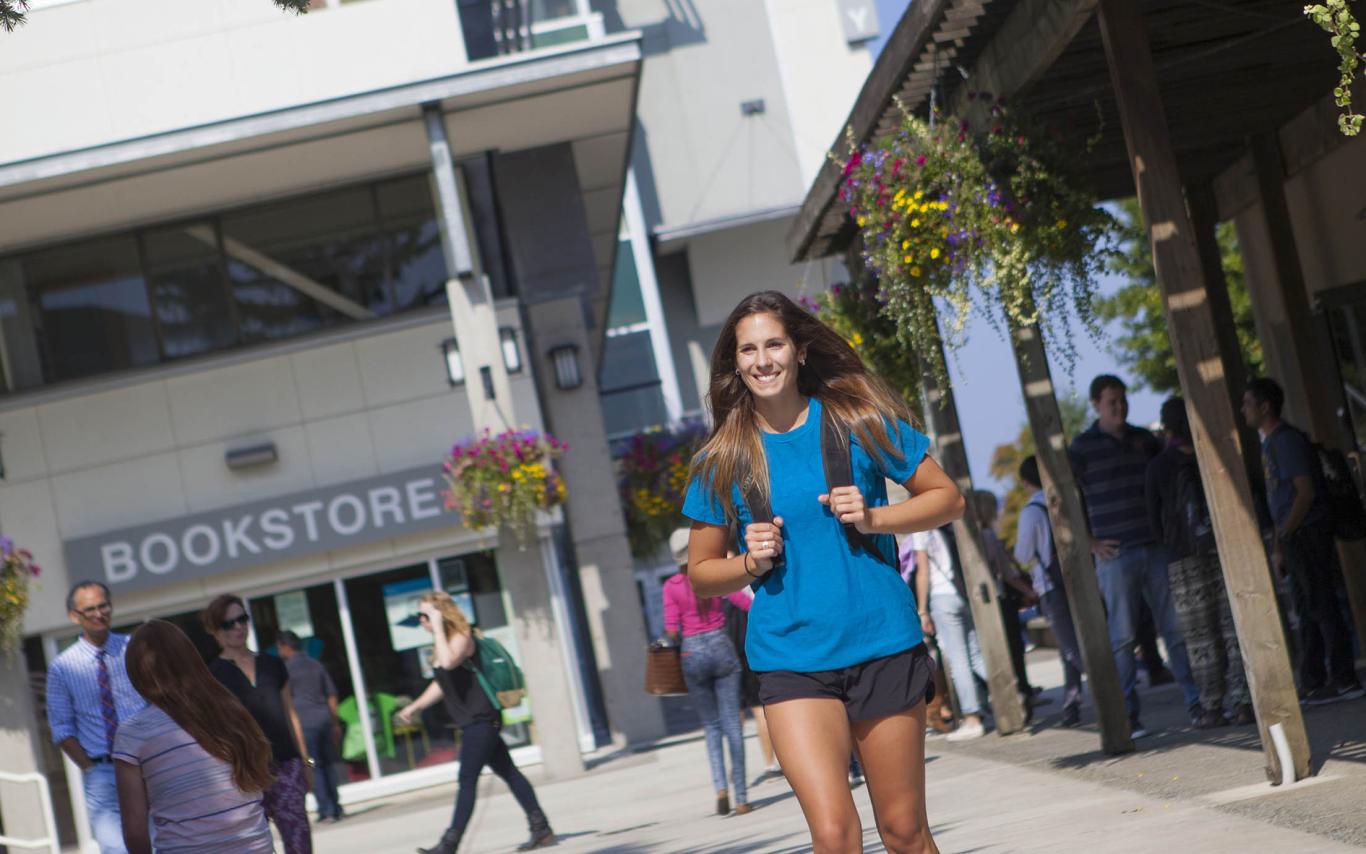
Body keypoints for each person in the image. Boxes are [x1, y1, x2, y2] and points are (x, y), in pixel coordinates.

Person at [683, 290, 964, 854]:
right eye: (748, 350)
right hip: (792, 659)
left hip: (881, 641)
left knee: (904, 831)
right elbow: (700, 573)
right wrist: (747, 561)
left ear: (800, 350)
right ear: (735, 364)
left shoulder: (860, 422)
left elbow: (947, 498)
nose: (762, 360)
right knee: (834, 835)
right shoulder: (723, 459)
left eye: (774, 345)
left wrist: (876, 515)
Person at [1069, 374, 1201, 737]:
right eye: (1112, 401)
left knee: (1175, 630)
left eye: (1123, 400)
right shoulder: (1081, 448)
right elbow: (1064, 499)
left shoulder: (1146, 440)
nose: (1119, 407)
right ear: (1096, 404)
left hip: (1155, 546)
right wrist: (1089, 540)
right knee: (1123, 638)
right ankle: (1128, 716)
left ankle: (1198, 702)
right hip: (1115, 555)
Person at [397, 591, 554, 853]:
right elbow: (442, 683)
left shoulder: (462, 636)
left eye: (425, 615)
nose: (421, 621)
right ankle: (541, 828)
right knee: (510, 772)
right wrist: (416, 706)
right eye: (420, 616)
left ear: (440, 614)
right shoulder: (442, 642)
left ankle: (449, 843)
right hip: (473, 720)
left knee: (467, 779)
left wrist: (437, 626)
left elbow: (448, 663)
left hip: (482, 718)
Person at [1242, 378, 1365, 704]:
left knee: (1322, 603)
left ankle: (1343, 677)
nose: (1244, 411)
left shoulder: (1286, 441)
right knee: (1307, 606)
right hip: (1293, 535)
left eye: (1248, 404)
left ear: (1265, 406)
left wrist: (1286, 532)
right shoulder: (1270, 444)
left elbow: (1304, 491)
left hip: (1307, 531)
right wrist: (1280, 544)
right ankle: (1313, 679)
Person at [113, 620, 275, 853]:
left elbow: (134, 830)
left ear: (136, 673)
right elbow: (259, 783)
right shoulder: (228, 709)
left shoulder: (133, 733)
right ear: (191, 660)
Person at [1146, 397, 1253, 727]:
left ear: (1165, 427)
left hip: (1183, 559)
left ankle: (1210, 706)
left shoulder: (1158, 467)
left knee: (1200, 636)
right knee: (1232, 627)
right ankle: (1242, 702)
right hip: (1221, 551)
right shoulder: (1212, 458)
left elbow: (1153, 521)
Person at [204, 595, 314, 854]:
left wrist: (305, 761)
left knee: (300, 842)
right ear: (215, 631)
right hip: (245, 773)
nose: (238, 627)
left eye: (242, 619)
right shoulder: (212, 674)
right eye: (229, 623)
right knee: (255, 847)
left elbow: (290, 714)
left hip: (287, 764)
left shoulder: (273, 664)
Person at [46, 581, 147, 854]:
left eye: (103, 606)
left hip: (146, 764)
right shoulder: (62, 667)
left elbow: (156, 704)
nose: (98, 613)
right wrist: (90, 767)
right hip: (102, 772)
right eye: (89, 609)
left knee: (162, 843)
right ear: (74, 616)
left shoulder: (133, 649)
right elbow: (61, 728)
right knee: (116, 849)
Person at [663, 527, 754, 815]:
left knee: (711, 727)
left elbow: (670, 629)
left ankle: (720, 788)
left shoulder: (672, 587)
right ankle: (741, 796)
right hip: (721, 645)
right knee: (732, 723)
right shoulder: (712, 578)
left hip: (692, 651)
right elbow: (743, 602)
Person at [1015, 456, 1087, 727]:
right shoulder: (1066, 502)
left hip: (1050, 585)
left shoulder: (1031, 512)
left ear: (1025, 481)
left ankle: (1111, 689)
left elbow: (1022, 554)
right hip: (1077, 579)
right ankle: (1071, 704)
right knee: (1072, 644)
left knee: (1070, 648)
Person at [903, 526, 988, 742]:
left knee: (958, 660)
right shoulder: (947, 524)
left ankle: (972, 718)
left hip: (941, 596)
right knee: (976, 655)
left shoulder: (921, 531)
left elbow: (923, 572)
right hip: (962, 592)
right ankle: (1014, 694)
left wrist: (922, 609)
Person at [974, 489, 1041, 708]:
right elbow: (1006, 572)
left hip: (978, 601)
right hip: (999, 597)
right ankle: (1022, 691)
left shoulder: (970, 538)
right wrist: (1029, 591)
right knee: (1014, 648)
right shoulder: (989, 536)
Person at [277, 630, 345, 822]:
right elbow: (332, 694)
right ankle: (336, 806)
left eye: (279, 646)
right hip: (324, 719)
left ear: (285, 646)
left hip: (305, 723)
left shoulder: (285, 671)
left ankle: (327, 809)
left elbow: (285, 702)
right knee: (328, 763)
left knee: (313, 765)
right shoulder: (315, 664)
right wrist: (335, 722)